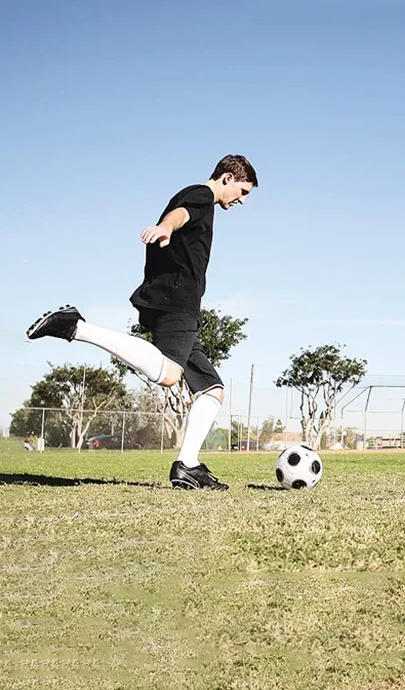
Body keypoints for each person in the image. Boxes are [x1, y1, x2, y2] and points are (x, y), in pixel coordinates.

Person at [26, 154, 258, 490]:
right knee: (169, 375)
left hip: (177, 301)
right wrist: (166, 227)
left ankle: (188, 466)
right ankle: (75, 327)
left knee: (211, 390)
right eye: (243, 190)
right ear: (226, 178)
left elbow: (181, 214)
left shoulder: (198, 198)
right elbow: (180, 215)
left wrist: (168, 228)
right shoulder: (203, 195)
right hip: (176, 299)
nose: (242, 200)